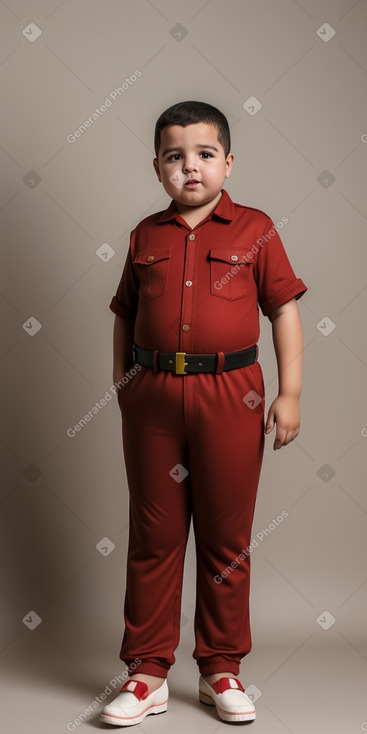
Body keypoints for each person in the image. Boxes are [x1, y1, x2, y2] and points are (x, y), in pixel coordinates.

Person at [100, 100, 307, 727]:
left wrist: (289, 393)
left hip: (231, 398)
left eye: (204, 154)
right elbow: (125, 314)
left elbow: (284, 311)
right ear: (158, 168)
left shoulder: (257, 230)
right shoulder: (146, 235)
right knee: (154, 535)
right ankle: (147, 674)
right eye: (174, 156)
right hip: (155, 402)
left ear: (227, 162)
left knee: (226, 539)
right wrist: (124, 383)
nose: (190, 167)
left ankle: (221, 669)